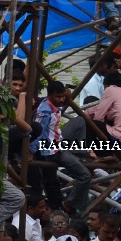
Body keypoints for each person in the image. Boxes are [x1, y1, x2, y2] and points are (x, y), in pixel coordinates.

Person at [30, 80, 92, 215]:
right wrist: (31, 151)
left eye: (63, 96)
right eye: (58, 97)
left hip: (59, 144)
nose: (61, 99)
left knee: (80, 121)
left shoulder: (55, 105)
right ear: (50, 95)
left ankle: (69, 203)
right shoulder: (44, 111)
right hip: (51, 151)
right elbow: (38, 132)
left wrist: (67, 96)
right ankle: (67, 205)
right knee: (82, 175)